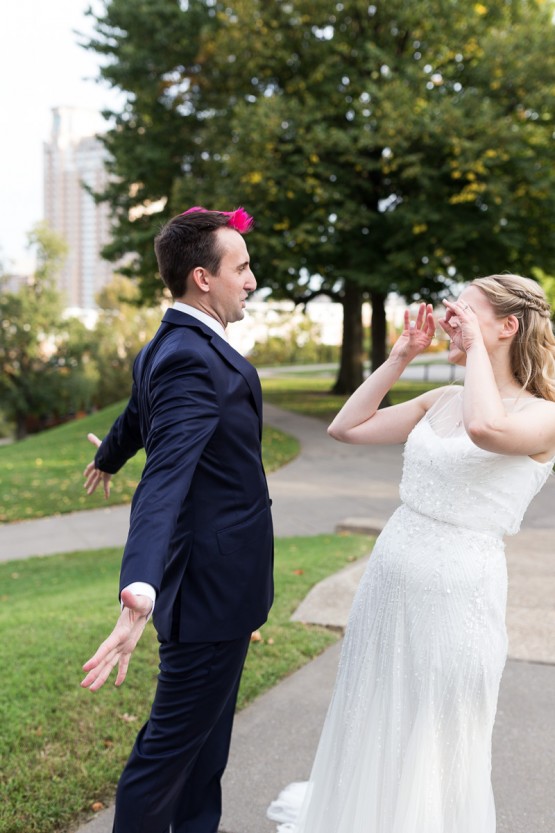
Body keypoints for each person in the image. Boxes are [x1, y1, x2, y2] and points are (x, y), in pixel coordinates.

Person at [268, 274, 555, 833]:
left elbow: (485, 427)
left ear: (507, 326)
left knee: (433, 731)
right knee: (376, 713)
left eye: (465, 313)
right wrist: (401, 356)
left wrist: (470, 348)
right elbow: (346, 427)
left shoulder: (543, 415)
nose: (451, 318)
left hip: (459, 596)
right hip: (391, 580)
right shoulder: (440, 398)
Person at [81, 206, 274, 833]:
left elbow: (139, 416)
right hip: (209, 592)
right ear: (202, 277)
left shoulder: (167, 345)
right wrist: (139, 586)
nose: (251, 279)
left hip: (225, 588)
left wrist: (108, 457)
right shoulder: (190, 358)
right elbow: (164, 481)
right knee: (166, 756)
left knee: (203, 753)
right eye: (240, 267)